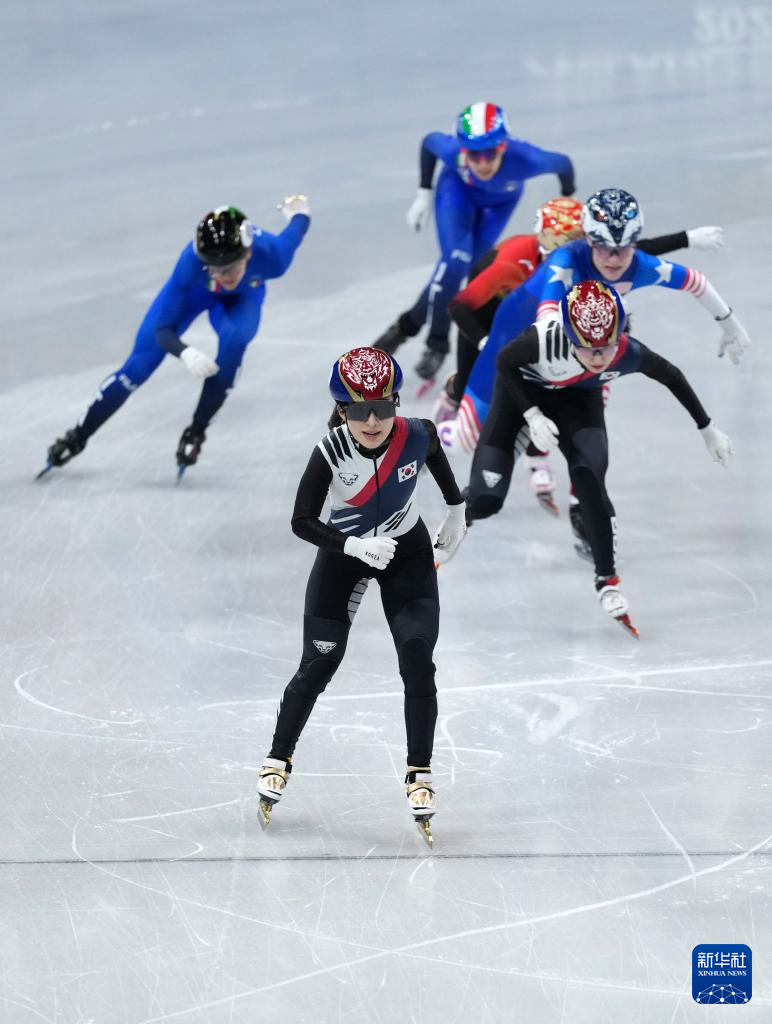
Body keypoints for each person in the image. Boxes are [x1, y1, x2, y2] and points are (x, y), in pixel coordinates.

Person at [256, 347, 466, 844]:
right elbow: (301, 520)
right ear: (340, 409)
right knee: (318, 664)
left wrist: (457, 512)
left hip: (406, 553)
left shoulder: (417, 434)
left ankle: (419, 773)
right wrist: (352, 545)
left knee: (418, 658)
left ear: (396, 403)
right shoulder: (330, 452)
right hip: (344, 555)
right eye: (358, 410)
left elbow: (437, 459)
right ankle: (278, 758)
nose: (372, 421)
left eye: (382, 408)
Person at [463, 279, 733, 636]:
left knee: (589, 477)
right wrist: (532, 414)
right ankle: (460, 515)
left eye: (606, 347)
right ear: (568, 336)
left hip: (578, 403)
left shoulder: (626, 351)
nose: (598, 357)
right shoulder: (543, 339)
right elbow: (504, 361)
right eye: (587, 348)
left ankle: (607, 580)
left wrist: (707, 428)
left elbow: (672, 376)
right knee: (486, 500)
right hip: (522, 398)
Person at [435, 195, 726, 522]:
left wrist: (686, 239)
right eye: (557, 243)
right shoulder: (517, 262)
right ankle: (445, 422)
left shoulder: (588, 259)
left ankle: (578, 495)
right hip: (511, 343)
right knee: (464, 440)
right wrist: (484, 345)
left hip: (568, 348)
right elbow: (461, 307)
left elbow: (632, 251)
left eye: (579, 242)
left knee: (590, 397)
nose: (574, 251)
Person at [454, 188, 750, 456]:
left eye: (624, 248)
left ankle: (566, 479)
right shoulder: (565, 259)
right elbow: (547, 317)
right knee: (464, 441)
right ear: (588, 241)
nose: (613, 260)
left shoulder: (638, 263)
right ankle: (452, 417)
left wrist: (730, 325)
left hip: (577, 341)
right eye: (604, 248)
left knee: (593, 400)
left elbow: (696, 281)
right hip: (515, 335)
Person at [42, 198, 311, 476]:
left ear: (248, 253)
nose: (224, 277)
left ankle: (197, 431)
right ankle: (78, 436)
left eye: (230, 268)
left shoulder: (274, 257)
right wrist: (185, 352)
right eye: (215, 269)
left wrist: (299, 212)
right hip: (194, 294)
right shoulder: (190, 263)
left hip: (241, 300)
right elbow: (163, 329)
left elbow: (297, 226)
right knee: (138, 366)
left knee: (234, 343)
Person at [373, 102, 575, 381]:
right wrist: (424, 193)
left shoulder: (528, 159)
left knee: (462, 268)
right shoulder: (452, 151)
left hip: (499, 204)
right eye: (473, 155)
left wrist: (567, 199)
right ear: (463, 150)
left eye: (489, 154)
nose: (481, 163)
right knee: (455, 262)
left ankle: (406, 325)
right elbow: (429, 142)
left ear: (503, 147)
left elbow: (564, 165)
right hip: (457, 192)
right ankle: (437, 343)